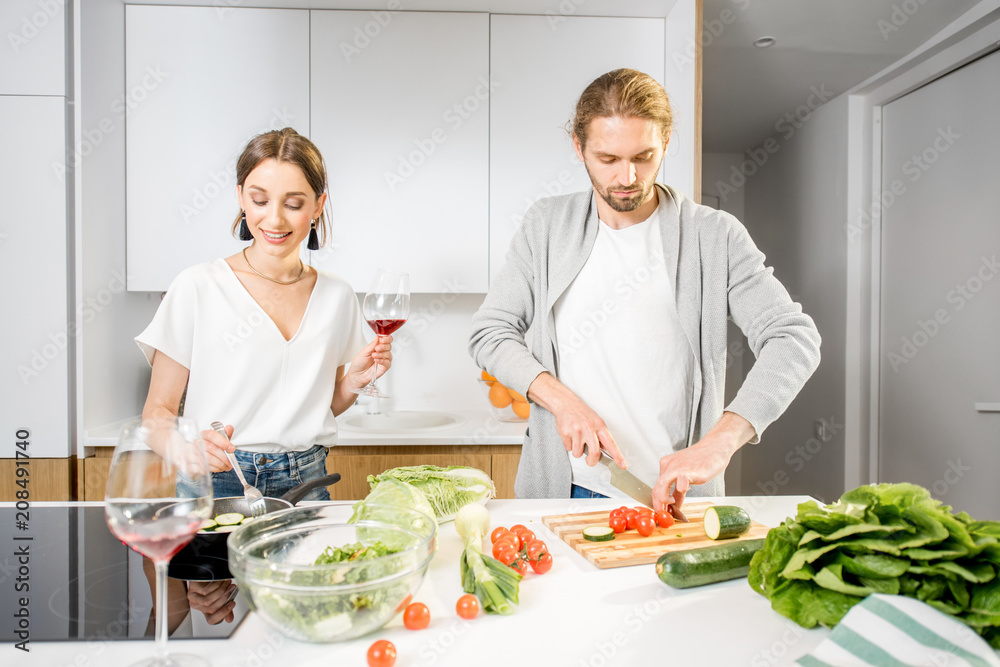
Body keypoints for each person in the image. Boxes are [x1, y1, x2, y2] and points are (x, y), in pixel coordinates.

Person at [469, 69, 821, 513]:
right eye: (608, 158)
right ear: (578, 148)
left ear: (666, 141)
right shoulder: (546, 227)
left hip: (675, 499)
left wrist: (722, 440)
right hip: (566, 489)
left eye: (644, 156)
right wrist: (560, 401)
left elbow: (794, 339)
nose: (627, 177)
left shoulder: (714, 237)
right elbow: (490, 332)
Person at [136, 127, 391, 502]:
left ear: (318, 206)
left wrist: (352, 383)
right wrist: (182, 447)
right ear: (241, 197)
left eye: (293, 204)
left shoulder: (336, 295)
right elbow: (156, 413)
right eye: (259, 200)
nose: (274, 220)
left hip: (307, 481)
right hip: (219, 478)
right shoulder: (198, 286)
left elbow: (327, 405)